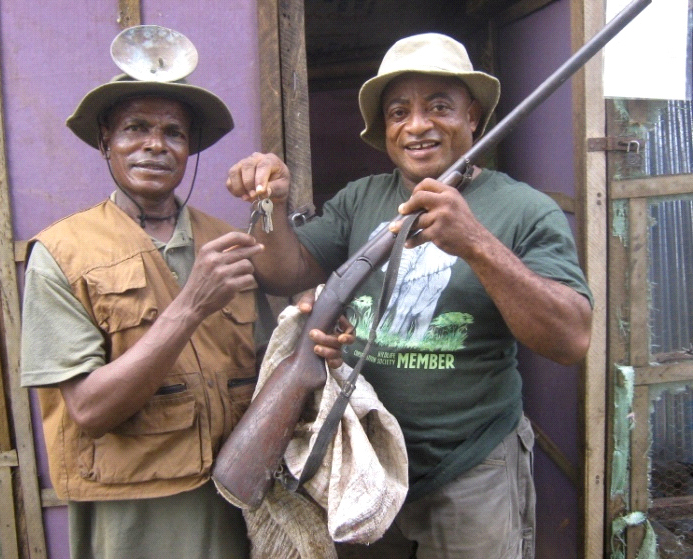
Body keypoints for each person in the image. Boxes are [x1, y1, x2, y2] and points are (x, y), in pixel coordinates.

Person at [226, 33, 593, 559]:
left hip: (473, 464)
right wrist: (270, 206)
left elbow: (570, 339)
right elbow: (284, 272)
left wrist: (477, 244)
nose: (417, 125)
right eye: (400, 112)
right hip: (364, 457)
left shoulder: (525, 209)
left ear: (473, 118)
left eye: (439, 107)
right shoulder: (361, 197)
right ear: (386, 131)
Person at [20, 29, 350, 559]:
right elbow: (88, 409)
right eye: (135, 128)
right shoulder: (62, 253)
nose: (155, 144)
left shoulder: (228, 242)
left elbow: (273, 369)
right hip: (134, 512)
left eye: (173, 132)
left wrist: (314, 341)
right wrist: (192, 304)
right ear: (106, 139)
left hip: (235, 495)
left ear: (189, 148)